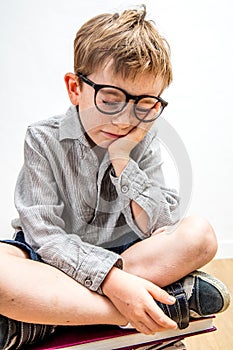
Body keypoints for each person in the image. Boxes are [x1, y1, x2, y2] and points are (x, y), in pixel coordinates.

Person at [0, 5, 230, 349]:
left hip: (127, 256)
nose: (125, 119)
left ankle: (48, 317)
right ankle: (143, 305)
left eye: (145, 104)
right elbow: (45, 237)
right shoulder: (42, 138)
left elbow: (161, 225)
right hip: (48, 263)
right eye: (110, 99)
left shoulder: (143, 138)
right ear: (75, 88)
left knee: (200, 234)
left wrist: (122, 159)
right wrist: (113, 282)